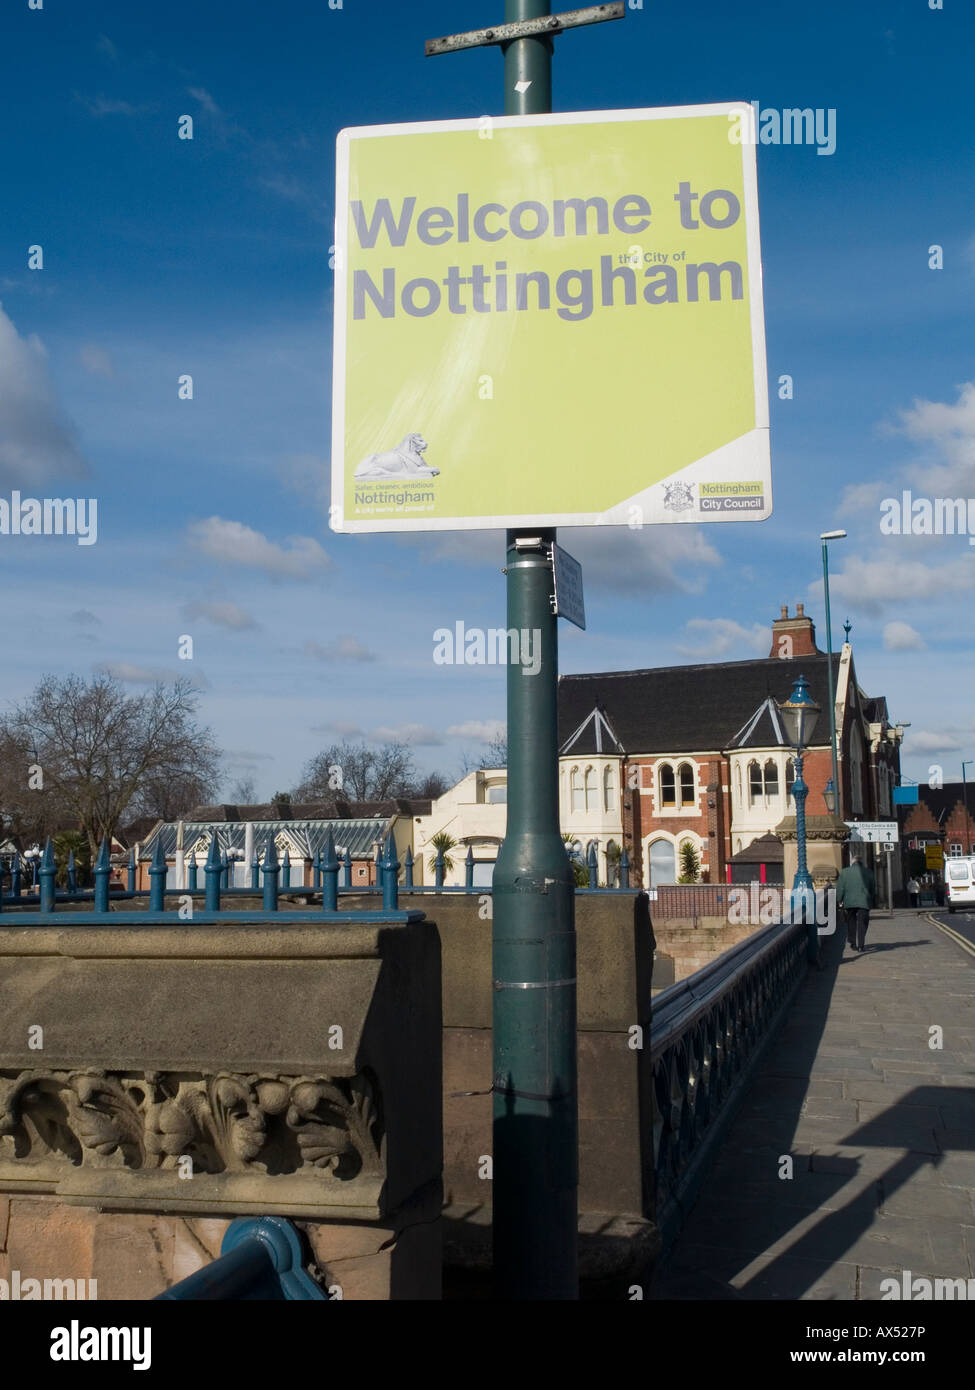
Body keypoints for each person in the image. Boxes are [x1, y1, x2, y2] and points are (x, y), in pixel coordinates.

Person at [836, 852, 876, 952]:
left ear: (852, 862)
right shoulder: (869, 872)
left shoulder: (844, 872)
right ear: (861, 862)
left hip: (849, 901)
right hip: (864, 901)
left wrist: (839, 899)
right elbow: (872, 888)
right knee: (863, 922)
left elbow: (840, 888)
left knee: (851, 921)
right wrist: (871, 898)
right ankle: (861, 945)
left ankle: (853, 943)